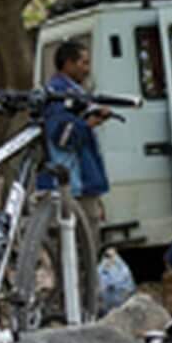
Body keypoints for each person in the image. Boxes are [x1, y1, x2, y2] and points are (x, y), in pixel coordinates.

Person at [42, 38, 111, 232]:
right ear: (68, 64)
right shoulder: (58, 95)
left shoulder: (74, 92)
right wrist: (88, 123)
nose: (87, 69)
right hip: (72, 186)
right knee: (81, 245)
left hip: (80, 185)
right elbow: (62, 136)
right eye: (84, 63)